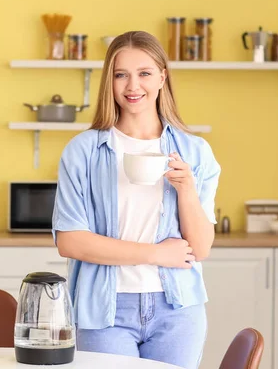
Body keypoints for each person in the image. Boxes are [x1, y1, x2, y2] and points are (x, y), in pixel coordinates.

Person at [51, 30, 221, 369]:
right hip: (105, 310)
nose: (133, 86)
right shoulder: (83, 151)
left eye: (144, 73)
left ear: (162, 76)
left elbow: (199, 248)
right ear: (109, 81)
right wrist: (155, 254)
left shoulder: (195, 152)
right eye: (121, 75)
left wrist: (186, 189)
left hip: (178, 311)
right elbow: (70, 241)